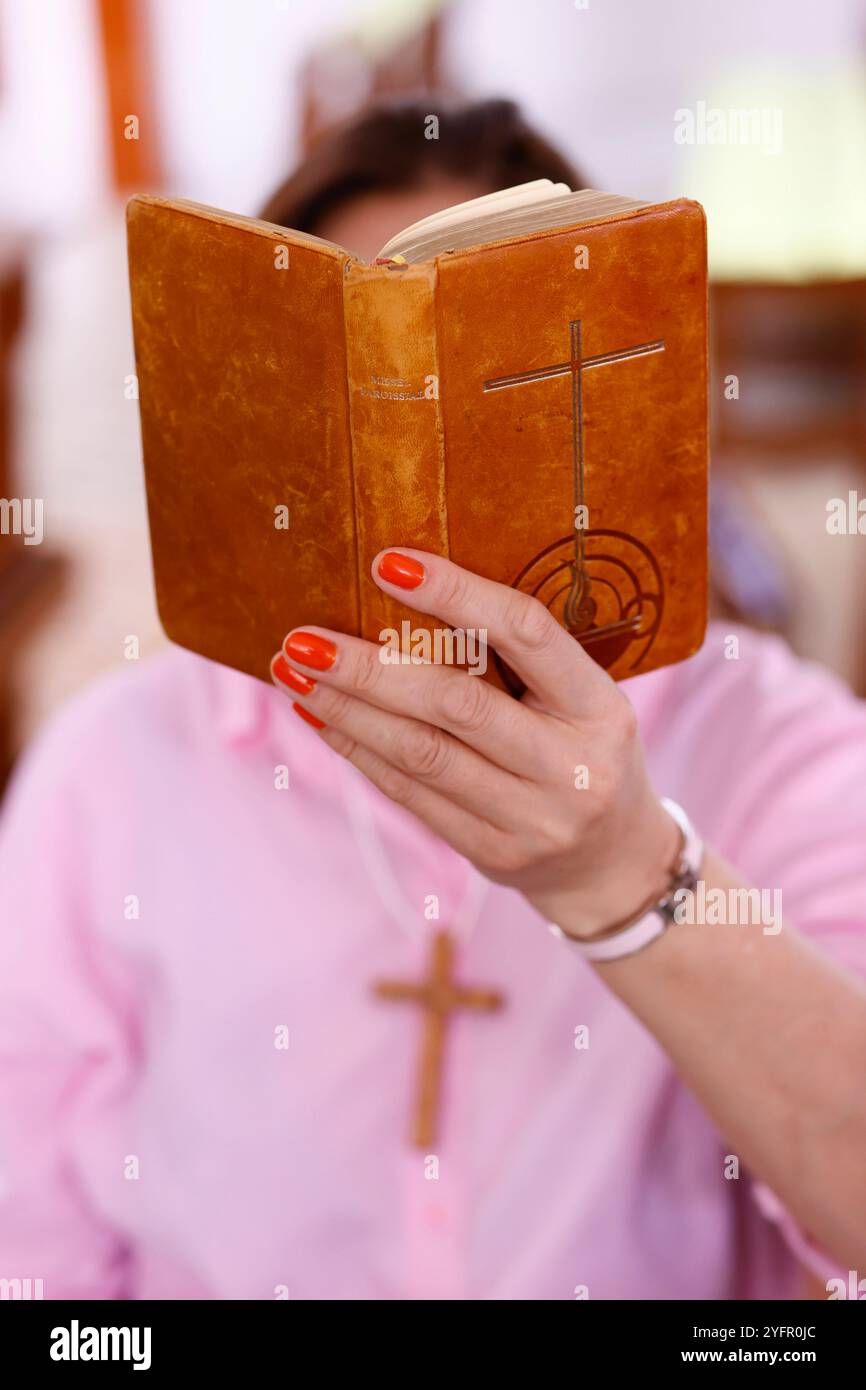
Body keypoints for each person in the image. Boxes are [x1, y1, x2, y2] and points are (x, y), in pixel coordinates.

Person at [1, 99, 864, 1302]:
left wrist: (624, 878)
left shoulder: (776, 744)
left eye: (480, 400)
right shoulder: (108, 768)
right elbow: (28, 1250)